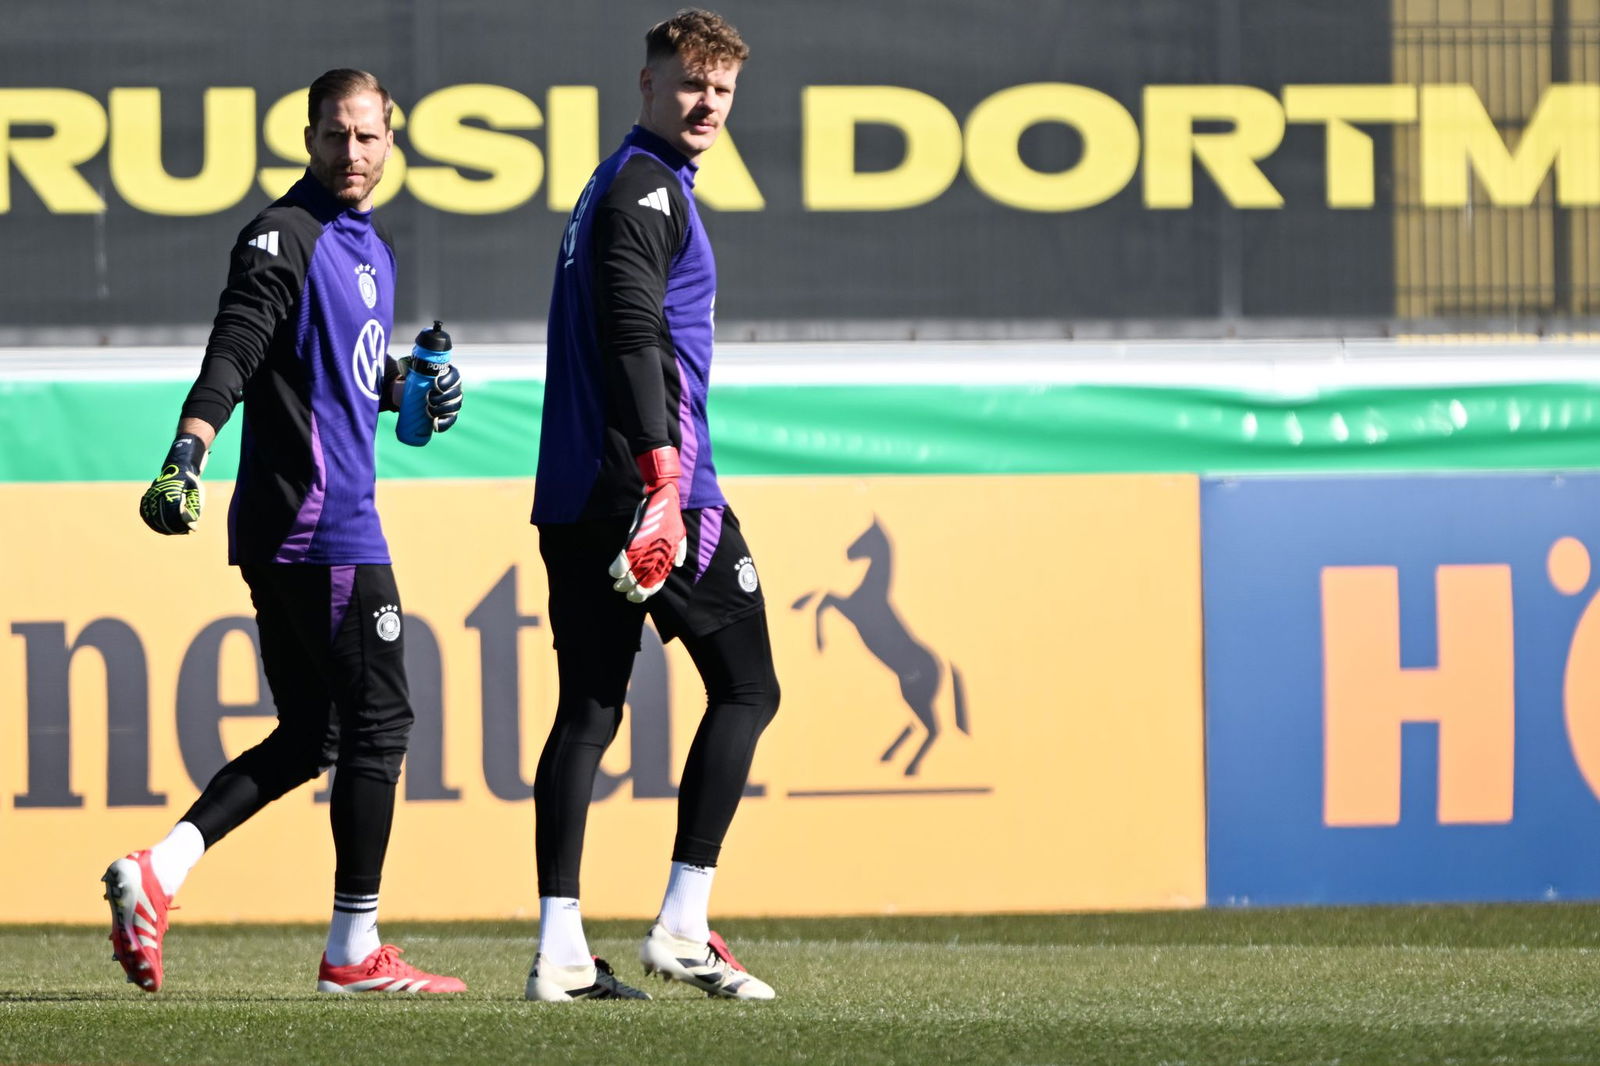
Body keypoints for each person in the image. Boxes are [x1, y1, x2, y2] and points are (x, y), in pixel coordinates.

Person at [104, 68, 466, 996]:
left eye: (368, 136)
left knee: (313, 734)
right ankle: (353, 951)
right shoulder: (283, 233)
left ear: (391, 143)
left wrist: (406, 388)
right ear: (309, 140)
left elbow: (337, 369)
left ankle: (158, 871)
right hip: (322, 524)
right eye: (335, 135)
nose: (352, 152)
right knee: (380, 726)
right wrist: (187, 452)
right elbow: (236, 346)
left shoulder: (371, 247)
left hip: (299, 528)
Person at [525, 9, 779, 1003]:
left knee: (589, 710)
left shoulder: (616, 185)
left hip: (576, 488)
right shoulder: (646, 189)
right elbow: (635, 335)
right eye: (690, 83)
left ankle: (560, 952)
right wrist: (667, 486)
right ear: (647, 84)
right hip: (651, 490)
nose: (706, 102)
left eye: (721, 88)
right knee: (748, 687)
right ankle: (681, 923)